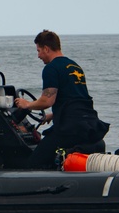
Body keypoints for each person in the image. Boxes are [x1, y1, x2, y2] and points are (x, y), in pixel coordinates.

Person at [14, 30, 109, 169]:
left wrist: (27, 104)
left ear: (46, 49)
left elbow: (47, 101)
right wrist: (53, 115)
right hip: (89, 125)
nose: (38, 55)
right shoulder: (74, 66)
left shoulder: (51, 68)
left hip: (71, 129)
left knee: (33, 163)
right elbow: (76, 98)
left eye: (39, 51)